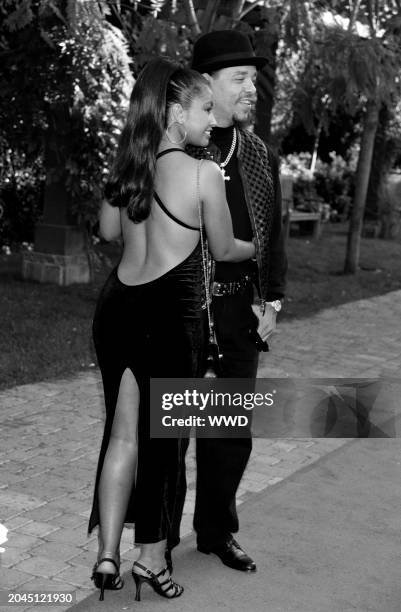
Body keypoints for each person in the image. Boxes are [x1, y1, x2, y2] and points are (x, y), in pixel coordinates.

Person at [88, 57, 256, 602]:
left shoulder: (129, 167)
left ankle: (108, 556)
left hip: (118, 310)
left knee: (121, 435)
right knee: (165, 444)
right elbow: (227, 249)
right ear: (176, 113)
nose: (212, 120)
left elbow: (109, 231)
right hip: (170, 317)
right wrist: (262, 249)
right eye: (205, 109)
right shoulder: (203, 173)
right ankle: (151, 563)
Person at [187, 30, 288, 573]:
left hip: (239, 313)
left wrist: (273, 300)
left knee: (229, 431)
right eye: (241, 78)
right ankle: (154, 543)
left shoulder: (256, 153)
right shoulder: (178, 146)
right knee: (172, 430)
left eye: (253, 78)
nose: (253, 87)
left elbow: (272, 236)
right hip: (181, 311)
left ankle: (216, 532)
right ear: (207, 83)